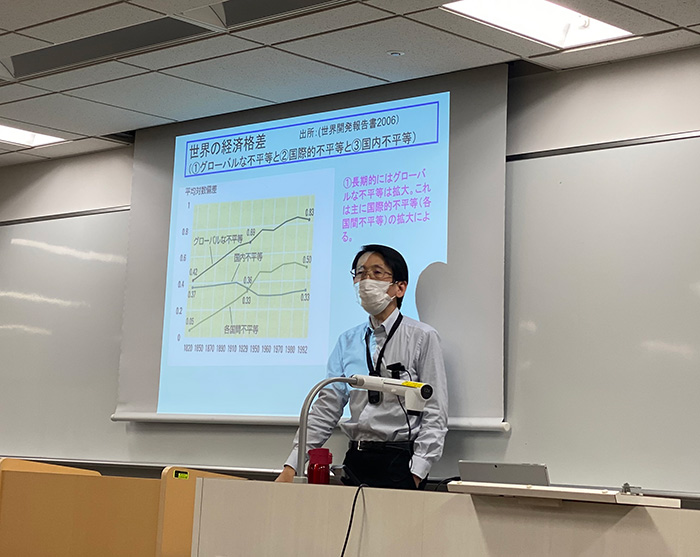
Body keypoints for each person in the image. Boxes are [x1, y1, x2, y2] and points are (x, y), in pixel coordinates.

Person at [276, 244, 448, 489]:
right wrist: (292, 466)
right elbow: (327, 408)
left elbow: (435, 410)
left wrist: (417, 471)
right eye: (360, 273)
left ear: (400, 287)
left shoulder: (422, 337)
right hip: (356, 460)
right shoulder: (347, 341)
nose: (366, 281)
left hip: (401, 461)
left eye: (377, 273)